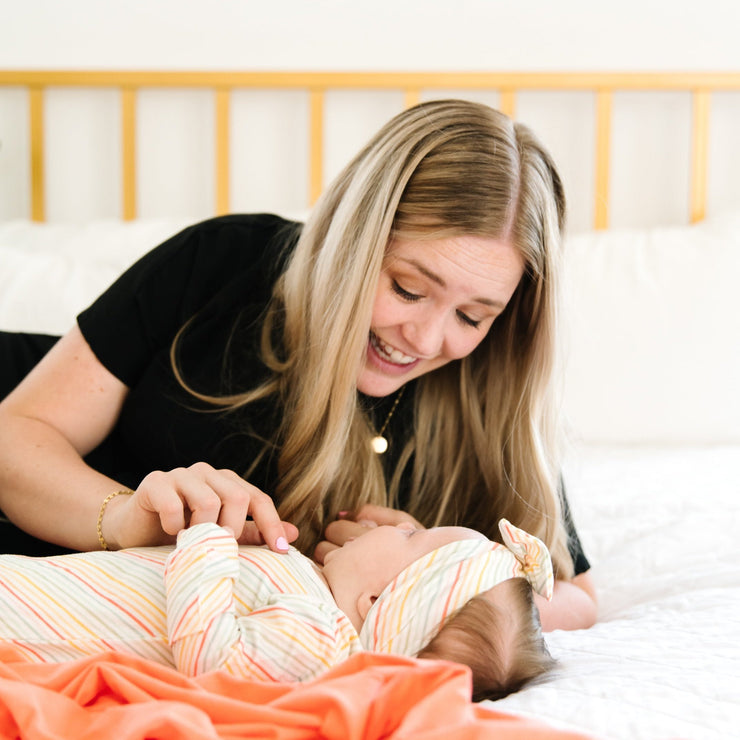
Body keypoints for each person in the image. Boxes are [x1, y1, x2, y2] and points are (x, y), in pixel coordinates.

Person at [0, 99, 596, 630]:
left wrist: (437, 581)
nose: (425, 336)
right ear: (353, 239)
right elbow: (18, 436)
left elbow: (577, 596)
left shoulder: (493, 389)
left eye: (472, 316)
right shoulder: (223, 261)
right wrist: (127, 518)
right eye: (409, 289)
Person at [0, 516, 554, 699]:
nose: (392, 523)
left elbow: (211, 663)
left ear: (378, 600)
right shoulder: (310, 592)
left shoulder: (320, 637)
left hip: (32, 625)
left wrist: (207, 538)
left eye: (411, 536)